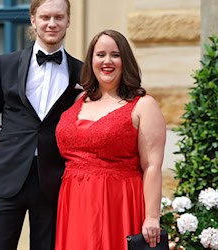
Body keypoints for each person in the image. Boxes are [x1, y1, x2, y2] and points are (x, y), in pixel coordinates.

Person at [0, 0, 82, 249]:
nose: (52, 24)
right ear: (33, 20)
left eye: (59, 17)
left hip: (54, 182)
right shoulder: (6, 64)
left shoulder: (81, 72)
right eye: (45, 17)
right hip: (5, 178)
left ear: (68, 21)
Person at [54, 29, 166, 250]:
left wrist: (152, 217)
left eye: (115, 55)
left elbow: (152, 166)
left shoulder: (143, 105)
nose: (107, 61)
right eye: (100, 55)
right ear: (91, 61)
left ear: (126, 61)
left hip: (117, 202)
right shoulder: (79, 99)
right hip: (74, 202)